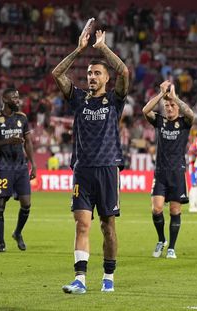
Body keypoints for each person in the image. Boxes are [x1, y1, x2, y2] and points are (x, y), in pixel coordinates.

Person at [52, 17, 129, 294]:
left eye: (97, 73)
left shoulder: (115, 101)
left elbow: (126, 73)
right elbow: (57, 75)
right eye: (89, 73)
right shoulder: (79, 99)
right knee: (82, 224)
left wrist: (103, 48)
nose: (92, 77)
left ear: (106, 78)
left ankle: (108, 276)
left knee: (108, 227)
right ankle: (80, 279)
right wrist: (79, 50)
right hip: (82, 170)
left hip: (108, 168)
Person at [142, 80, 194, 259]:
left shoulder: (184, 122)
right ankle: (161, 239)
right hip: (160, 173)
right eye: (167, 106)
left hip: (177, 173)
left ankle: (171, 247)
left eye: (172, 106)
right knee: (156, 209)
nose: (170, 108)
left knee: (174, 211)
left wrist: (174, 98)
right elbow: (145, 111)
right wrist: (161, 95)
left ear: (177, 107)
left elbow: (191, 114)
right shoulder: (160, 121)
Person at [0, 88, 37, 253]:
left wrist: (33, 164)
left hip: (21, 167)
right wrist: (9, 140)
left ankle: (17, 232)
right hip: (4, 168)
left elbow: (28, 142)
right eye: (14, 97)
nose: (17, 100)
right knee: (0, 204)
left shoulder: (22, 118)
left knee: (26, 204)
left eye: (18, 97)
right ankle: (1, 243)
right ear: (4, 99)